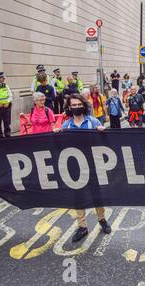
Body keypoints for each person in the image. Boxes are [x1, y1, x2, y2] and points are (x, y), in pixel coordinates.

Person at [54, 94, 112, 243]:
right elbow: (60, 147)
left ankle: (102, 220)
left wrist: (102, 131)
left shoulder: (92, 121)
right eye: (73, 105)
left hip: (92, 165)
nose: (76, 107)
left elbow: (104, 143)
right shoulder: (66, 126)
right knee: (78, 196)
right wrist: (56, 135)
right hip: (75, 167)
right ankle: (82, 227)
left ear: (84, 105)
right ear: (69, 107)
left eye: (79, 104)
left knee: (96, 194)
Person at [0, 72, 13, 138]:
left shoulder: (6, 85)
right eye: (2, 77)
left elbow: (10, 95)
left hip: (6, 107)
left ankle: (7, 135)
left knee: (7, 122)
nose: (4, 78)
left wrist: (8, 102)